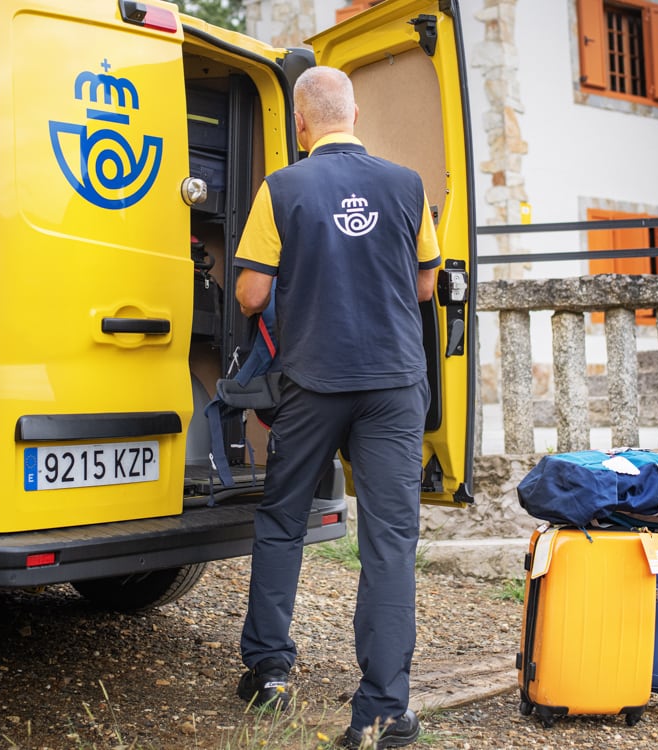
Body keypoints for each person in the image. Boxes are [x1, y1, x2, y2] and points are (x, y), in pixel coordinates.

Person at [231, 65, 440, 749]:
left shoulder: (282, 188)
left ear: (300, 122)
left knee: (284, 519)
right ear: (354, 114)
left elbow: (252, 297)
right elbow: (428, 283)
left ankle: (269, 670)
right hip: (392, 383)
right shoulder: (407, 185)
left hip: (315, 380)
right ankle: (381, 713)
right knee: (388, 541)